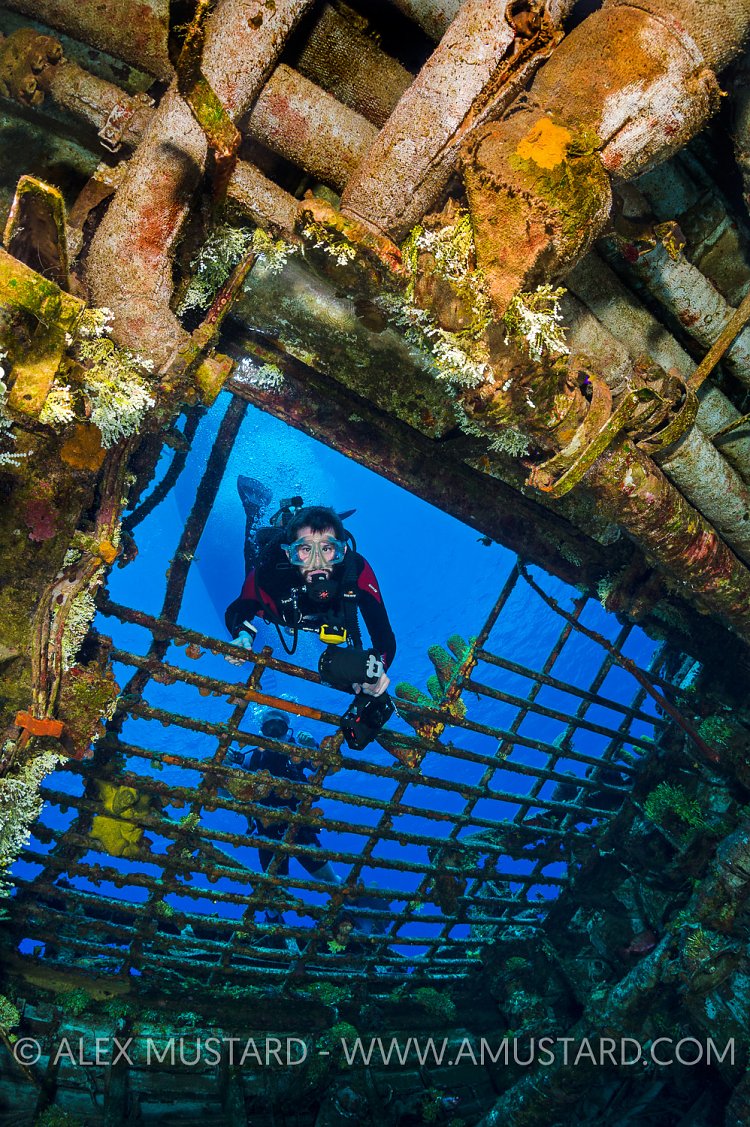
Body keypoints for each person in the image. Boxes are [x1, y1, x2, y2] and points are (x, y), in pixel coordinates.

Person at [225, 484, 397, 747]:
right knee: (252, 554)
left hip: (316, 616)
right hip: (275, 609)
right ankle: (257, 509)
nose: (317, 562)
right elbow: (239, 609)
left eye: (327, 549)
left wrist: (379, 668)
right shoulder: (271, 570)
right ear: (289, 553)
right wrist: (242, 634)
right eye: (305, 550)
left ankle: (294, 517)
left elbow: (384, 636)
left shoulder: (356, 570)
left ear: (342, 551)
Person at [225, 707, 342, 928]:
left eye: (279, 725)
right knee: (275, 890)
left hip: (300, 827)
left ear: (288, 728)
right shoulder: (252, 757)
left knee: (328, 877)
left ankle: (348, 912)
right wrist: (227, 762)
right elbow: (225, 790)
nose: (274, 729)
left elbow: (329, 770)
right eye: (269, 726)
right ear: (262, 730)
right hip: (267, 832)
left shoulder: (297, 753)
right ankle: (273, 925)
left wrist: (314, 748)